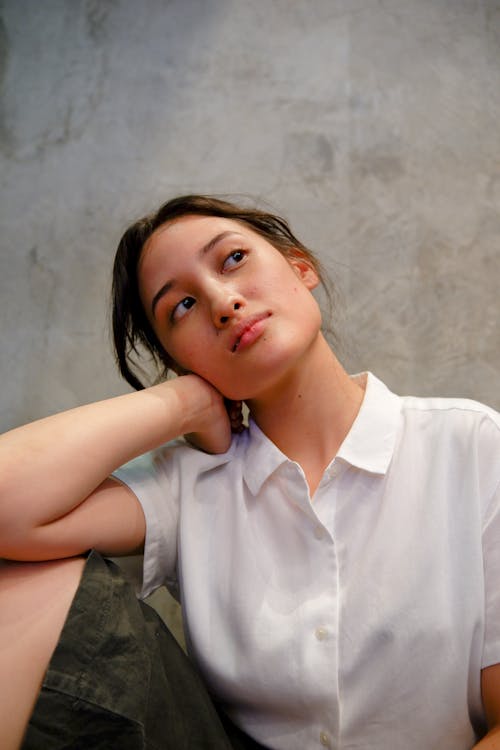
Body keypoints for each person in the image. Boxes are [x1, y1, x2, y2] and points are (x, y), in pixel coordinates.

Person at [0, 195, 499, 750]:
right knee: (26, 581)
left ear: (300, 266)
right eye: (181, 307)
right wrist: (183, 404)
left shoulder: (473, 447)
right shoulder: (187, 485)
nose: (220, 302)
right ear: (183, 359)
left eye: (232, 259)